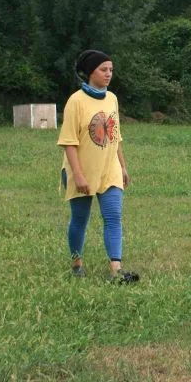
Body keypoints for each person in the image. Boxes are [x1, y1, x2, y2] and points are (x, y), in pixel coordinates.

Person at [57, 49, 139, 284]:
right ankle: (76, 264)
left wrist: (122, 166)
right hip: (82, 170)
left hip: (109, 168)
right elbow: (69, 143)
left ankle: (116, 269)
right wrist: (78, 175)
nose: (108, 74)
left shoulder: (112, 98)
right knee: (79, 220)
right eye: (103, 69)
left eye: (111, 69)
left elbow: (115, 135)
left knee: (113, 216)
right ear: (90, 72)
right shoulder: (76, 101)